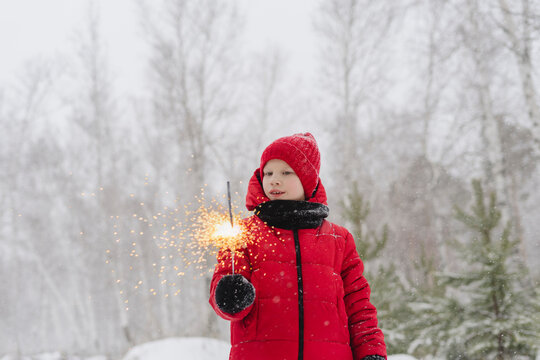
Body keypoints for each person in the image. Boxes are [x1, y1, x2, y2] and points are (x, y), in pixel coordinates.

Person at [209, 133, 387, 360]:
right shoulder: (243, 234)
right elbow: (223, 293)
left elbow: (359, 308)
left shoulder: (339, 239)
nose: (274, 180)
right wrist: (228, 297)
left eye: (286, 172)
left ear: (308, 179)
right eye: (268, 172)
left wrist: (371, 353)